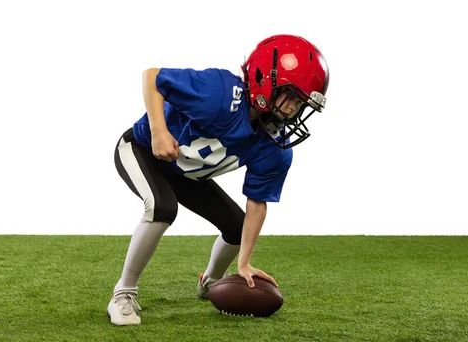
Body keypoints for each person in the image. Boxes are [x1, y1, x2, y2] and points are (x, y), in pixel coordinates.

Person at [108, 34, 330, 325]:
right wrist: (159, 131)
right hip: (142, 149)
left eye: (300, 103)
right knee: (162, 208)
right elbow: (153, 77)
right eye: (289, 96)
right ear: (264, 79)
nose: (292, 109)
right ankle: (123, 293)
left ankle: (211, 281)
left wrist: (244, 262)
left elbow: (257, 204)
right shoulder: (221, 93)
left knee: (236, 226)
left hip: (185, 172)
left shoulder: (273, 145)